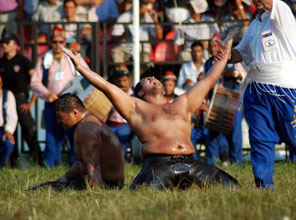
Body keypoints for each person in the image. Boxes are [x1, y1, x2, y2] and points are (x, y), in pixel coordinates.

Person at [60, 28, 240, 190]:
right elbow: (107, 87)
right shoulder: (136, 107)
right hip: (159, 165)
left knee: (233, 187)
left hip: (191, 163)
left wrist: (225, 52)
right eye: (148, 80)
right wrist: (81, 67)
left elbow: (209, 79)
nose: (154, 78)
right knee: (138, 194)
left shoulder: (182, 102)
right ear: (140, 93)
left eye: (154, 77)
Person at [216, 0, 296, 189]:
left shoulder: (281, 12)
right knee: (260, 139)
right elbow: (240, 54)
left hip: (285, 88)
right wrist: (226, 52)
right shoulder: (253, 26)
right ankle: (264, 186)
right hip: (256, 88)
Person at [30, 26, 89, 168]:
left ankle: (75, 163)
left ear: (65, 42)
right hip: (52, 101)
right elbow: (34, 82)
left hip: (70, 103)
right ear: (50, 42)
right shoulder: (45, 59)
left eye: (61, 42)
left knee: (74, 133)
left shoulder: (72, 57)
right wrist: (47, 93)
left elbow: (87, 73)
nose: (58, 45)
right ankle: (49, 163)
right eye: (55, 42)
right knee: (51, 133)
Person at [0, 32, 43, 166]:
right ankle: (12, 163)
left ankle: (38, 163)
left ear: (15, 45)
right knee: (9, 131)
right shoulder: (1, 62)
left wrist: (31, 102)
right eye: (3, 43)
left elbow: (36, 82)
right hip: (5, 101)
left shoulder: (23, 61)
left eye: (7, 43)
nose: (4, 45)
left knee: (29, 131)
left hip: (21, 101)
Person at [204, 33, 244, 166]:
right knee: (213, 132)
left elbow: (242, 77)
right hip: (215, 99)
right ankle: (212, 162)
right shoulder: (208, 63)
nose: (212, 48)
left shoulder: (232, 60)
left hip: (231, 99)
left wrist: (233, 74)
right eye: (210, 46)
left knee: (235, 132)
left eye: (215, 45)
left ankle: (236, 161)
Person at [111, 0, 163, 70]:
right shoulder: (124, 17)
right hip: (125, 49)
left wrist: (155, 20)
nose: (146, 11)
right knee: (116, 53)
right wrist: (123, 35)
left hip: (142, 50)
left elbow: (159, 37)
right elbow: (114, 37)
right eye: (144, 9)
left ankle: (132, 80)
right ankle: (124, 76)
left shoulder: (149, 18)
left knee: (146, 61)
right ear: (137, 9)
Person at [106, 66, 134, 160]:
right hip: (111, 123)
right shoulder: (112, 93)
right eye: (119, 81)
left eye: (124, 80)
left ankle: (120, 160)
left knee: (122, 133)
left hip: (126, 124)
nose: (122, 83)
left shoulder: (134, 94)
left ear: (129, 80)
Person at [0, 75, 18, 169]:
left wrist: (8, 131)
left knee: (9, 143)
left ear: (1, 84)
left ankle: (1, 165)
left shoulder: (7, 95)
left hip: (2, 129)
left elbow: (12, 115)